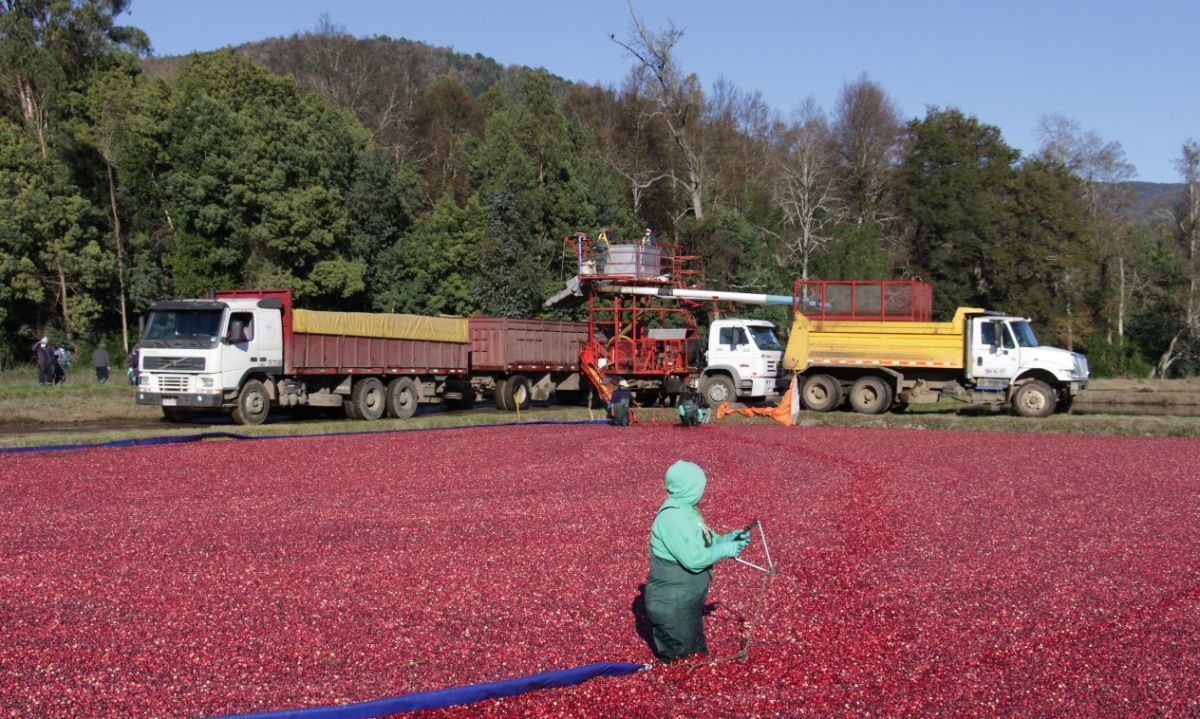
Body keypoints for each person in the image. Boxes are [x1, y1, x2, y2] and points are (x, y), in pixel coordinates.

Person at [645, 461, 750, 662]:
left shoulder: (687, 510)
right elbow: (694, 559)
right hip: (672, 601)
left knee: (694, 652)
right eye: (701, 487)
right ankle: (675, 688)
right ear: (690, 488)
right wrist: (723, 550)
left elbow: (706, 539)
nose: (704, 491)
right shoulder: (673, 517)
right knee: (680, 656)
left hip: (686, 600)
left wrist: (727, 539)